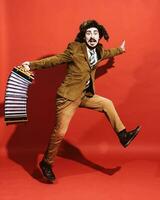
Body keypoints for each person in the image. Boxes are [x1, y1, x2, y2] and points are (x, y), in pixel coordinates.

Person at [21, 20, 141, 183]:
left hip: (84, 94)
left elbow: (107, 53)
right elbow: (55, 60)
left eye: (95, 34)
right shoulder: (74, 48)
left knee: (107, 103)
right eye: (89, 33)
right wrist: (32, 65)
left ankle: (123, 135)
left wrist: (120, 50)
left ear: (100, 36)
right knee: (60, 132)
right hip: (68, 97)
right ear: (84, 36)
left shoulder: (99, 50)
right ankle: (46, 164)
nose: (92, 36)